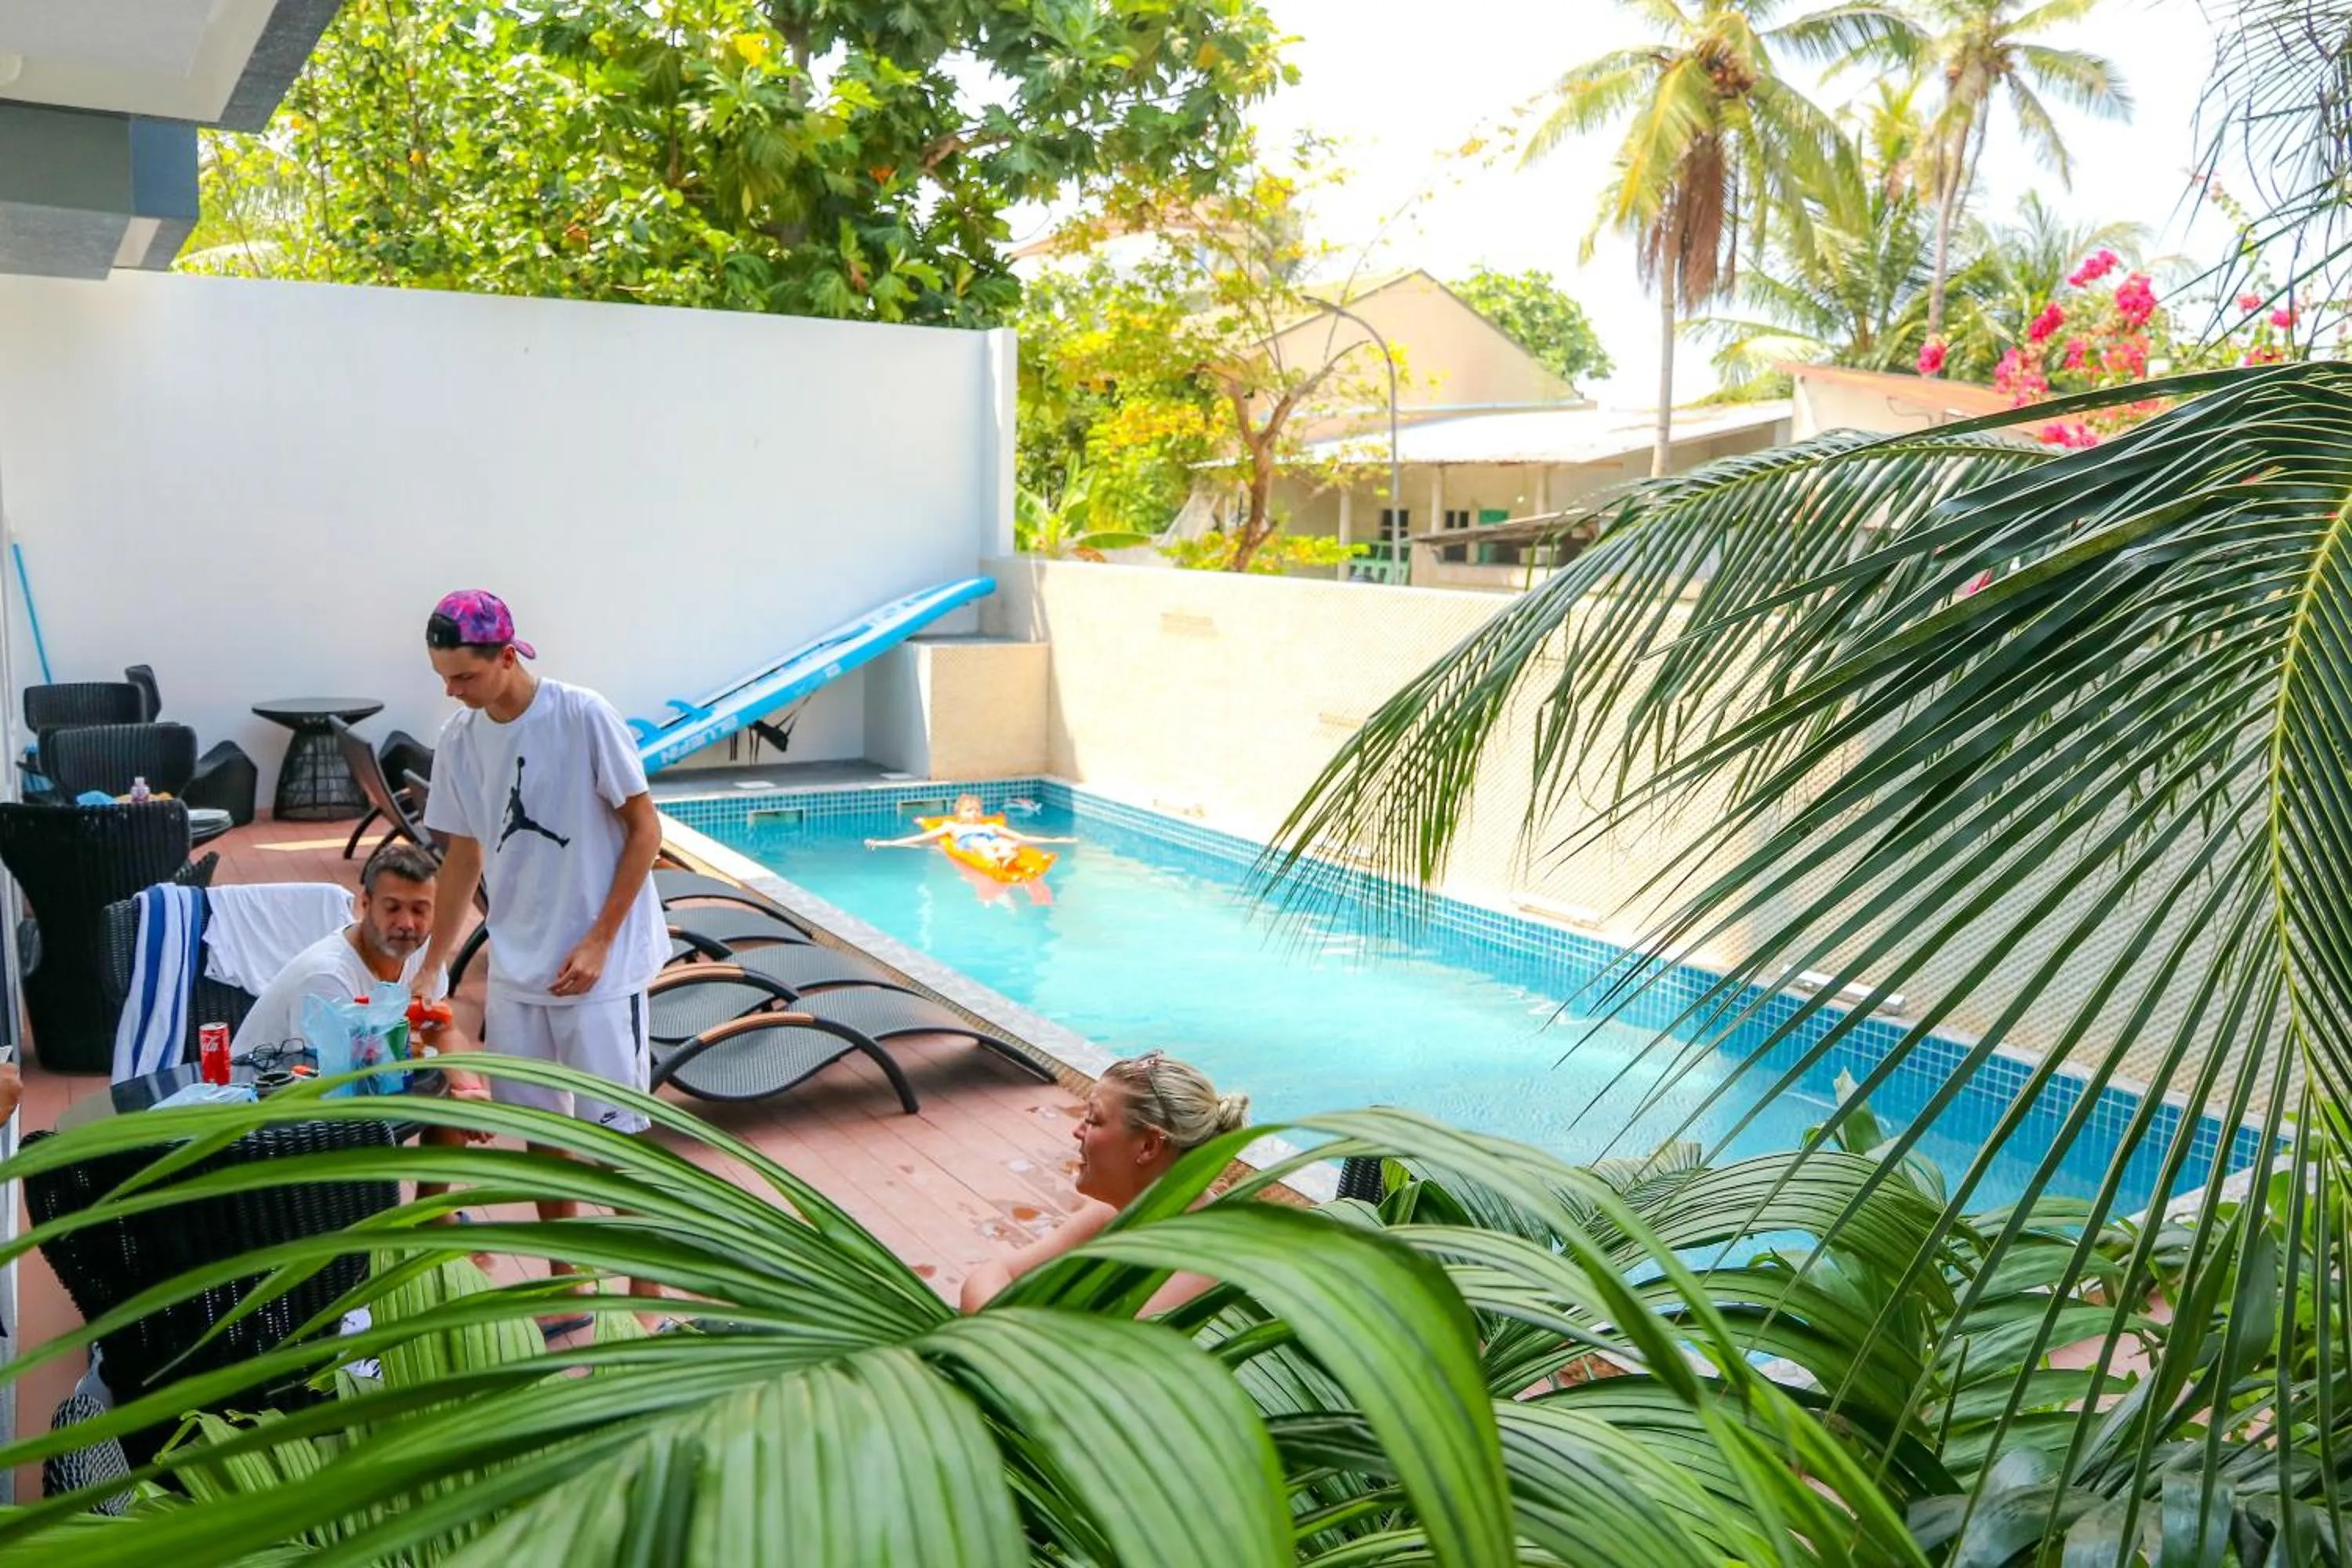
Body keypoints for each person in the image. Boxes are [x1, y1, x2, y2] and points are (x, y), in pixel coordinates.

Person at [415, 589, 669, 1322]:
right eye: (443, 677)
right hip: (520, 964)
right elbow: (463, 855)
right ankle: (570, 1283)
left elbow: (645, 832)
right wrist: (437, 959)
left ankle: (645, 1292)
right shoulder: (460, 739)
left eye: (463, 676)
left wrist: (599, 939)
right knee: (543, 1136)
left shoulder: (582, 716)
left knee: (618, 1139)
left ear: (505, 655)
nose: (451, 691)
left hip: (600, 967)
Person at [234, 842, 495, 1169]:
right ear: (366, 905)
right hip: (268, 1114)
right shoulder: (327, 977)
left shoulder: (425, 955)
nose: (407, 923)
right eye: (392, 908)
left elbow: (443, 1028)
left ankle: (437, 1217)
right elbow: (337, 1085)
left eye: (419, 910)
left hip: (352, 1084)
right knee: (430, 1092)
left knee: (456, 1096)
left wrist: (467, 1087)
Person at [958, 1051, 1247, 1315]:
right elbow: (992, 1275)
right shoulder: (1117, 1211)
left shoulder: (1201, 1261)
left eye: (1094, 1120)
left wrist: (997, 1336)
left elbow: (1092, 1363)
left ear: (1148, 1146)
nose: (1077, 1131)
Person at [865, 793, 1075, 870]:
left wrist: (1057, 840)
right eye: (969, 810)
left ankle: (1005, 855)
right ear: (959, 814)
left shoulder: (990, 826)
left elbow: (1023, 837)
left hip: (990, 840)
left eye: (978, 810)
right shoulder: (952, 827)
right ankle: (998, 860)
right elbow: (921, 838)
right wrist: (887, 843)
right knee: (982, 844)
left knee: (1006, 843)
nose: (975, 814)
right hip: (970, 842)